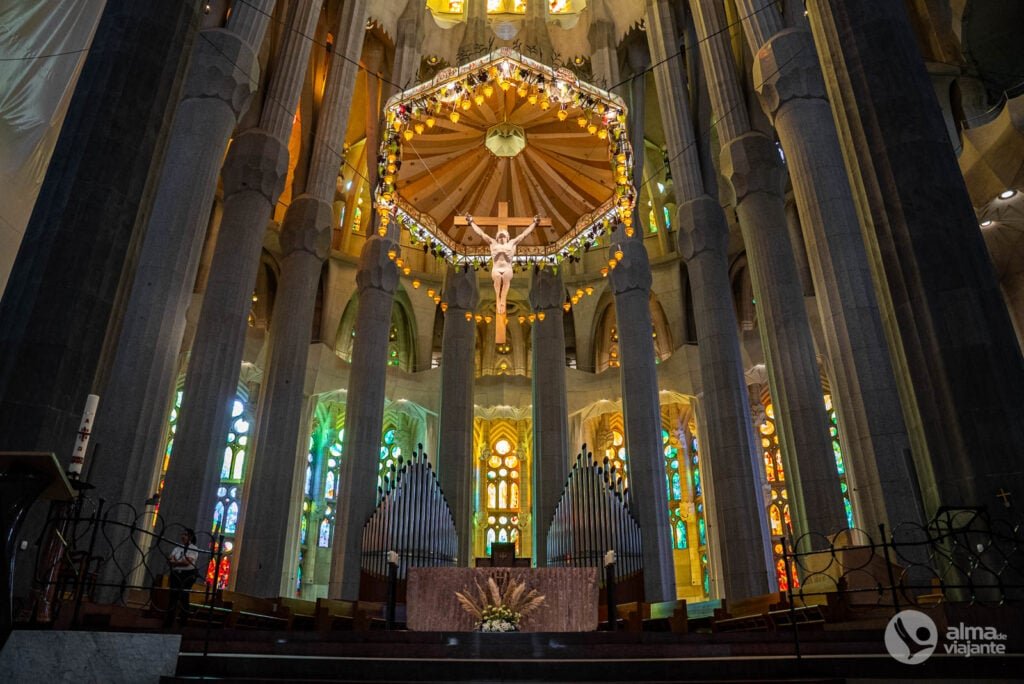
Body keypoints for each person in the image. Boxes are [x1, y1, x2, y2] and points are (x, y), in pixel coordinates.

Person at [465, 214, 539, 340]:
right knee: (497, 284)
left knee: (504, 288)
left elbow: (524, 234)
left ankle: (502, 302)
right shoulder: (492, 243)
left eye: (503, 235)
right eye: (500, 235)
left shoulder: (512, 243)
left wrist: (534, 223)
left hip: (507, 269)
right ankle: (499, 302)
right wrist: (471, 222)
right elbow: (481, 234)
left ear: (508, 237)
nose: (501, 237)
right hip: (496, 269)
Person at [165, 528, 199, 627]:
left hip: (187, 575)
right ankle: (169, 621)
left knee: (184, 596)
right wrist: (176, 562)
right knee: (173, 597)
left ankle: (183, 622)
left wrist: (175, 562)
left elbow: (186, 563)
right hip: (175, 574)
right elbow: (170, 560)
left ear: (190, 537)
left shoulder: (193, 548)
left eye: (185, 534)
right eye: (182, 534)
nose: (183, 536)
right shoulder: (177, 548)